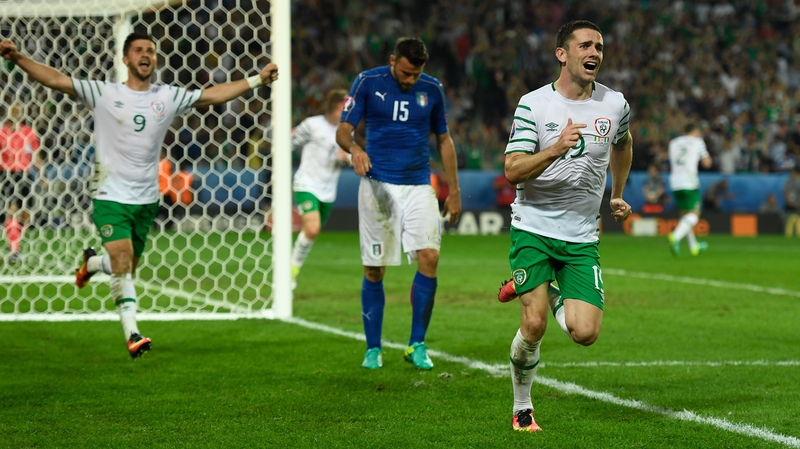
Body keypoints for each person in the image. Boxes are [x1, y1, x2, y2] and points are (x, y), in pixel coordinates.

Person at [0, 33, 278, 358]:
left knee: (125, 267)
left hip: (147, 199)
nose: (145, 55)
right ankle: (133, 334)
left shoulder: (167, 96)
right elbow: (58, 80)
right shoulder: (104, 92)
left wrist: (257, 79)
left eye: (150, 50)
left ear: (155, 59)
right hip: (110, 195)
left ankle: (90, 263)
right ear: (126, 59)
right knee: (121, 261)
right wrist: (17, 57)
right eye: (138, 50)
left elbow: (213, 96)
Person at [495, 20, 633, 432]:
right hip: (533, 227)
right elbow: (512, 170)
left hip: (581, 236)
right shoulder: (534, 104)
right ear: (563, 54)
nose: (595, 53)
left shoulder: (615, 105)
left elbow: (624, 144)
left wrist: (617, 193)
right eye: (586, 46)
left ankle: (545, 288)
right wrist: (555, 149)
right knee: (533, 324)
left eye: (600, 47)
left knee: (585, 333)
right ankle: (523, 408)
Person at [335, 37, 462, 371]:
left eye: (416, 74)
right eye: (406, 73)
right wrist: (356, 150)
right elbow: (343, 131)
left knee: (430, 256)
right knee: (375, 269)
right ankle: (373, 348)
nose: (410, 80)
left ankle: (416, 344)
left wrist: (455, 190)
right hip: (379, 185)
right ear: (393, 60)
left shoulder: (432, 88)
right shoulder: (368, 81)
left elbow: (444, 140)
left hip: (419, 184)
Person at [289, 88, 349, 290]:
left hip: (328, 190)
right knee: (312, 228)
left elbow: (352, 156)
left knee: (312, 232)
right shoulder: (312, 125)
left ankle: (291, 265)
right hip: (306, 183)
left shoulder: (348, 130)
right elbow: (288, 141)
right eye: (346, 106)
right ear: (338, 107)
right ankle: (291, 270)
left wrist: (346, 159)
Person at [0, 103, 43, 264]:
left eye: (19, 110)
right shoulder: (2, 132)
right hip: (6, 174)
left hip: (24, 174)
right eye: (14, 109)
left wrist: (42, 174)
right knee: (11, 211)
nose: (16, 112)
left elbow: (36, 154)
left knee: (26, 215)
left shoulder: (29, 132)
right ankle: (14, 249)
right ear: (8, 112)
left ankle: (14, 241)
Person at [666, 124, 712, 256]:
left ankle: (694, 246)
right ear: (695, 131)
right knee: (694, 215)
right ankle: (675, 236)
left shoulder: (673, 143)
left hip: (675, 182)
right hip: (690, 182)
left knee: (685, 216)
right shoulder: (697, 142)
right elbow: (707, 163)